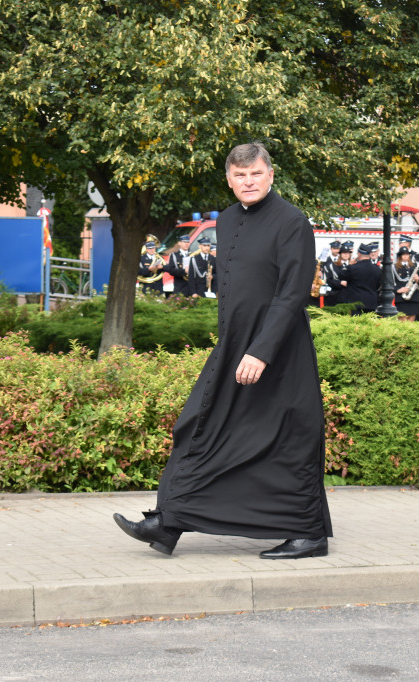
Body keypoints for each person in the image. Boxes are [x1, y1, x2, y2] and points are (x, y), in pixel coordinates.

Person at [114, 142, 332, 560]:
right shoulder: (228, 220)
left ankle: (308, 535)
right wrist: (236, 344)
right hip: (235, 345)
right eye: (239, 175)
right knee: (201, 426)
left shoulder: (292, 222)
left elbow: (291, 295)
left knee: (288, 439)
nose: (248, 182)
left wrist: (262, 351)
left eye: (255, 174)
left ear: (270, 174)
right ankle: (170, 522)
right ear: (229, 179)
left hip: (279, 352)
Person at [343, 244, 383, 315]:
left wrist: (349, 265)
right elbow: (378, 285)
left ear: (359, 254)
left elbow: (342, 276)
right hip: (371, 302)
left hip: (356, 303)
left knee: (356, 325)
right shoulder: (377, 269)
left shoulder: (353, 268)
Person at [389, 246, 419, 321]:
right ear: (400, 256)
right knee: (402, 322)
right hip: (401, 299)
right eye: (403, 254)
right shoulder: (394, 267)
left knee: (411, 321)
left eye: (407, 254)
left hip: (413, 298)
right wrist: (398, 290)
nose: (405, 256)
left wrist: (418, 280)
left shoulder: (414, 267)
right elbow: (390, 283)